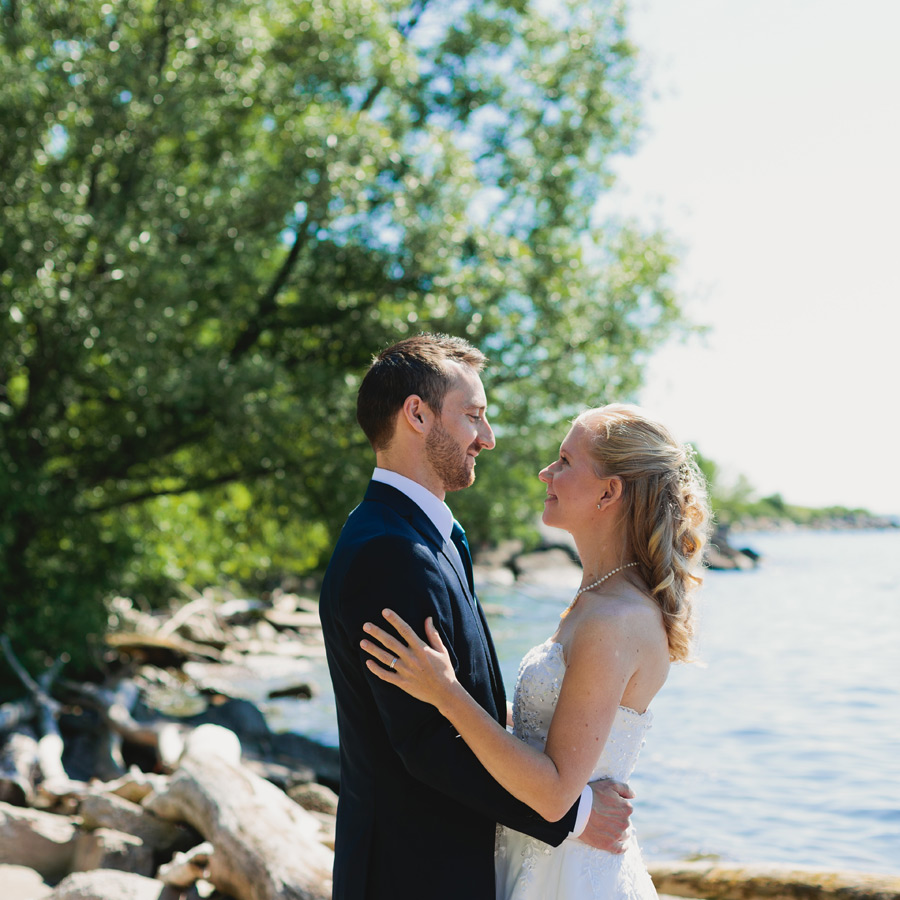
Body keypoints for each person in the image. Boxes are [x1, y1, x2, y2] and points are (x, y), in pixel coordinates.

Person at [319, 335, 635, 900]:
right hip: (409, 875)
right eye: (474, 416)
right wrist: (574, 815)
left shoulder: (424, 535)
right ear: (416, 414)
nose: (486, 439)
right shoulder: (389, 552)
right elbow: (425, 742)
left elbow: (457, 695)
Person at [361, 402, 712, 900]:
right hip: (539, 856)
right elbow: (553, 733)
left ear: (609, 492)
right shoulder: (596, 600)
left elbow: (552, 794)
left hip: (569, 875)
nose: (546, 472)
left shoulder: (615, 620)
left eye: (566, 462)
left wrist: (446, 692)